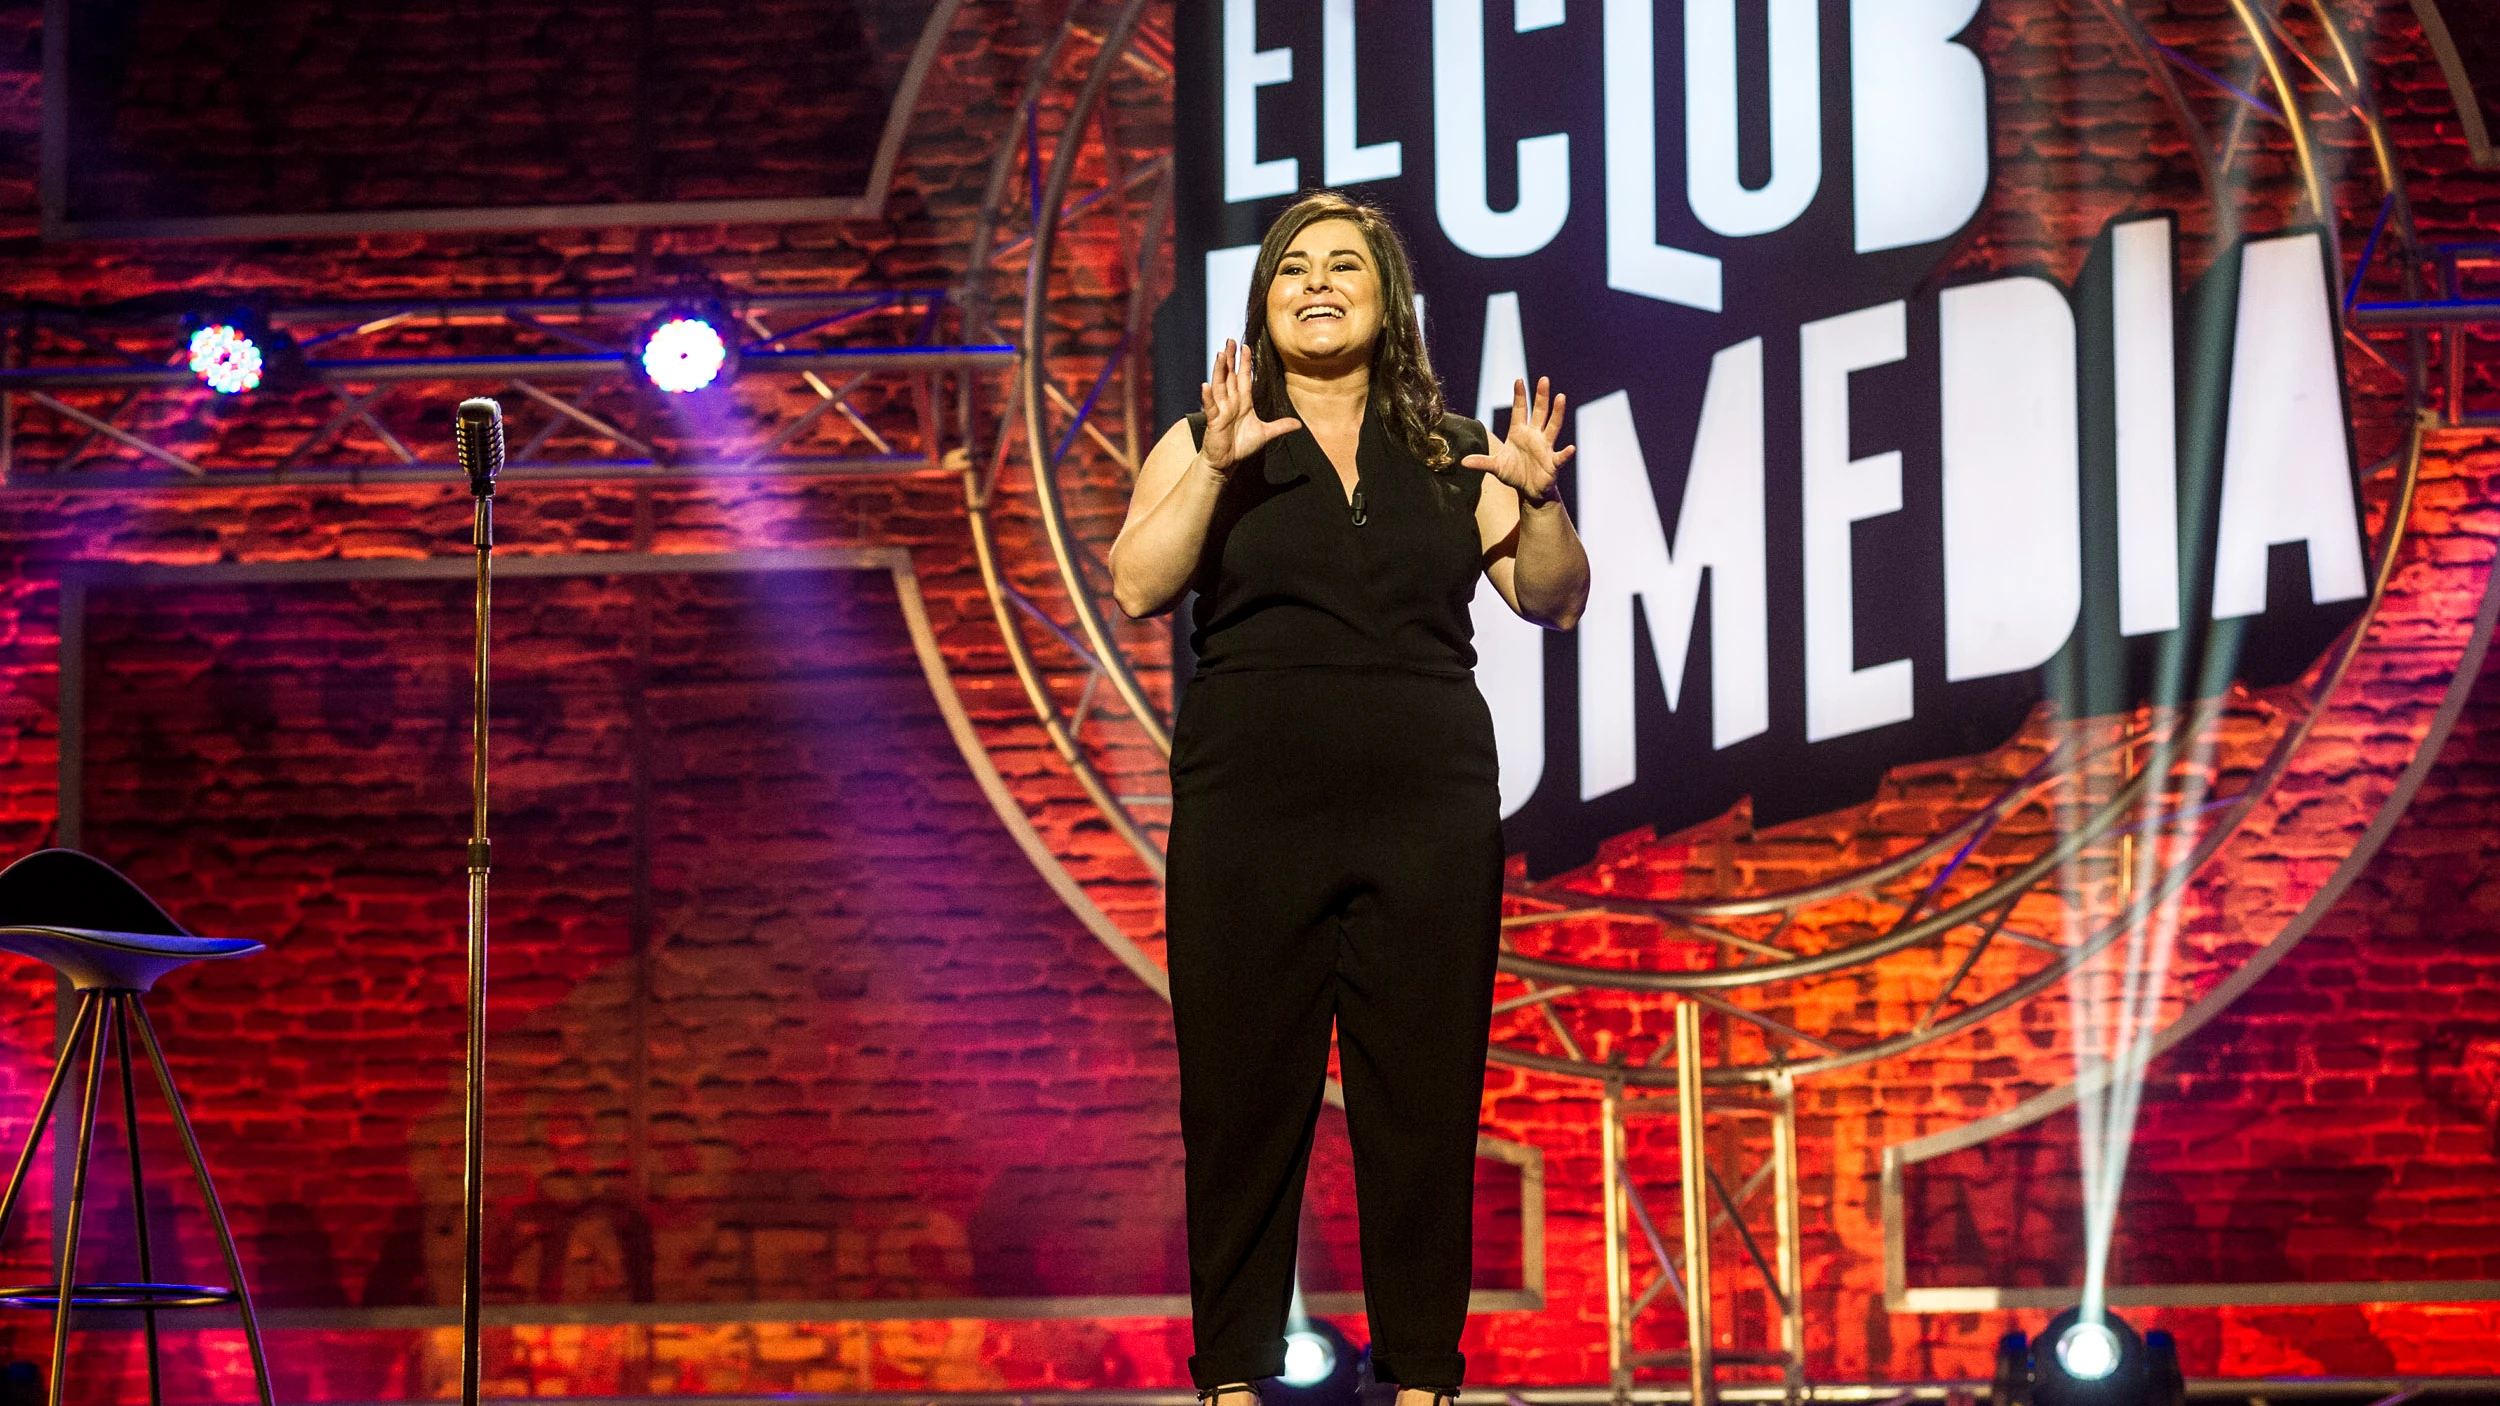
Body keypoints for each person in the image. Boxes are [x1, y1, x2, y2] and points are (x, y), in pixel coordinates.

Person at [1109, 190, 1590, 1406]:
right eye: (1289, 271)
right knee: (1241, 1095)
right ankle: (1230, 1378)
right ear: (1264, 307)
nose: (1315, 283)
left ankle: (1423, 1378)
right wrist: (1214, 470)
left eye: (1342, 266)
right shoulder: (1210, 436)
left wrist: (1537, 499)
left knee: (1422, 1098)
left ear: (1388, 301)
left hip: (1425, 804)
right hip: (1249, 806)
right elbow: (1135, 584)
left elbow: (1555, 597)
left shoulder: (1451, 446)